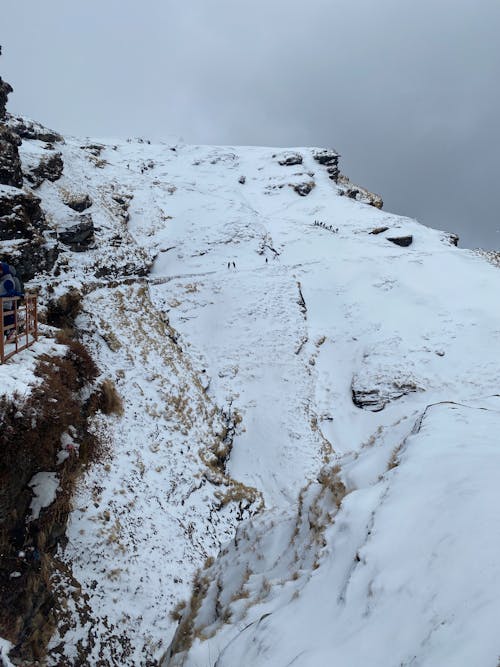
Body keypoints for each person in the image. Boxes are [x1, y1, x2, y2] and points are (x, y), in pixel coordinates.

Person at [0, 262, 23, 340]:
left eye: (1, 270)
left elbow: (10, 293)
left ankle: (7, 337)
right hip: (6, 305)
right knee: (6, 323)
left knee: (5, 323)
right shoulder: (4, 280)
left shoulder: (7, 281)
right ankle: (9, 335)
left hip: (5, 305)